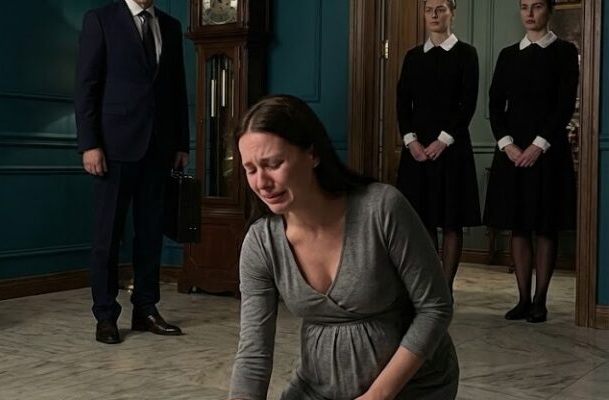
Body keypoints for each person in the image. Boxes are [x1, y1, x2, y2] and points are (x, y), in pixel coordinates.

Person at [229, 95, 459, 400]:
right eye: (250, 169)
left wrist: (376, 396)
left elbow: (435, 308)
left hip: (413, 387)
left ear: (313, 154)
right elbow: (253, 351)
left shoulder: (382, 208)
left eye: (273, 164)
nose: (262, 182)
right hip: (319, 387)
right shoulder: (261, 243)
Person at [74, 0, 190, 344]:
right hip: (112, 149)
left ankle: (146, 309)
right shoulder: (100, 20)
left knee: (151, 233)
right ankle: (105, 315)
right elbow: (86, 85)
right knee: (107, 237)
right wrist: (90, 144)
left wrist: (181, 142)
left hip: (159, 147)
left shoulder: (170, 26)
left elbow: (176, 88)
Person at [483, 0, 578, 323]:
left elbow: (565, 104)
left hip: (549, 152)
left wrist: (538, 145)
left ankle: (540, 300)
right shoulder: (508, 55)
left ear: (549, 10)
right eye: (524, 6)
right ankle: (523, 299)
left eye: (536, 6)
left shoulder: (565, 52)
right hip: (512, 152)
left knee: (545, 226)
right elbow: (495, 105)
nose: (529, 13)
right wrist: (507, 145)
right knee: (519, 225)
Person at [395, 0, 481, 293]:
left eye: (441, 8)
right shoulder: (412, 57)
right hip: (417, 151)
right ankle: (432, 287)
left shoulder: (467, 54)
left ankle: (446, 289)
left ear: (452, 13)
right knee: (423, 222)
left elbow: (468, 103)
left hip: (452, 149)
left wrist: (443, 140)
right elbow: (402, 103)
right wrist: (411, 141)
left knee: (452, 221)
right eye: (429, 9)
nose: (434, 14)